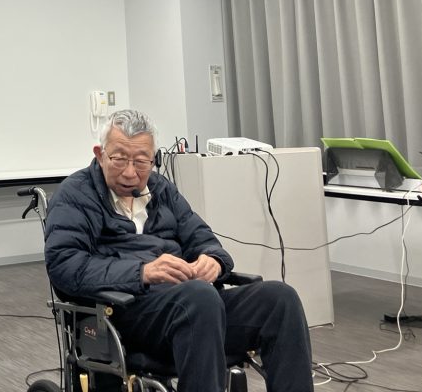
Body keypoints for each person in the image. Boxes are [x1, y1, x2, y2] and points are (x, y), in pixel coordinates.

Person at [45, 109, 314, 392]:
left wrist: (213, 260)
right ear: (100, 155)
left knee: (280, 299)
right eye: (119, 159)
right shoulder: (75, 195)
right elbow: (64, 266)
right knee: (198, 297)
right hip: (125, 312)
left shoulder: (161, 190)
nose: (130, 172)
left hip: (195, 310)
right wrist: (142, 272)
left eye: (141, 162)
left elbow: (203, 238)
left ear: (154, 159)